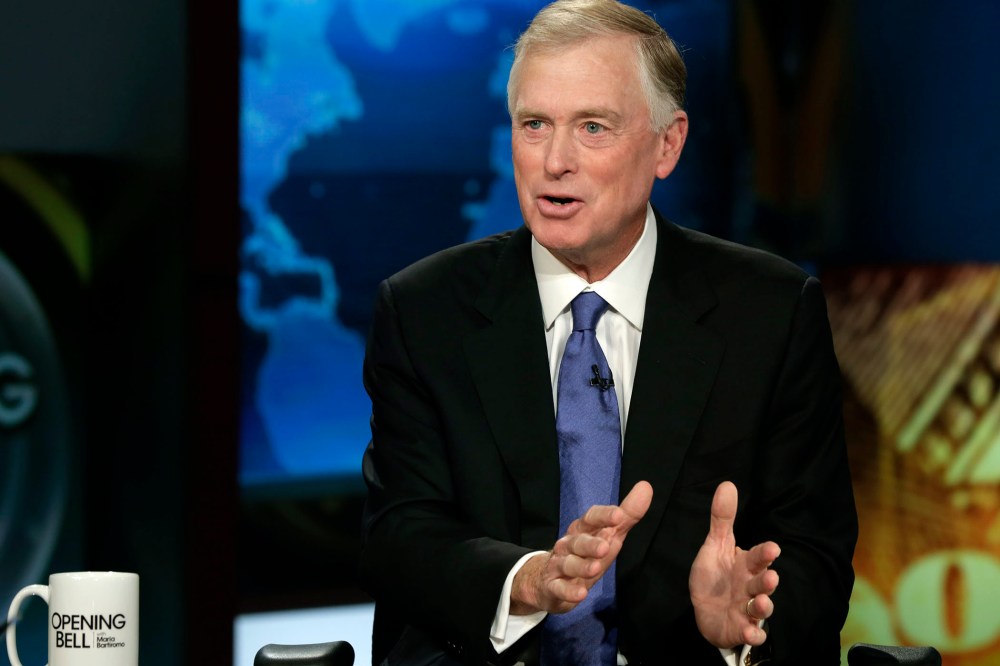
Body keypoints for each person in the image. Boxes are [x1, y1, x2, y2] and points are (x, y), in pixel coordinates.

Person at [359, 1, 857, 664]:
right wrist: (528, 581)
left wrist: (745, 622)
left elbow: (816, 553)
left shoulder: (770, 313)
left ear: (667, 144)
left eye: (592, 127)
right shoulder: (425, 311)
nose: (554, 161)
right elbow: (400, 535)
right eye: (534, 125)